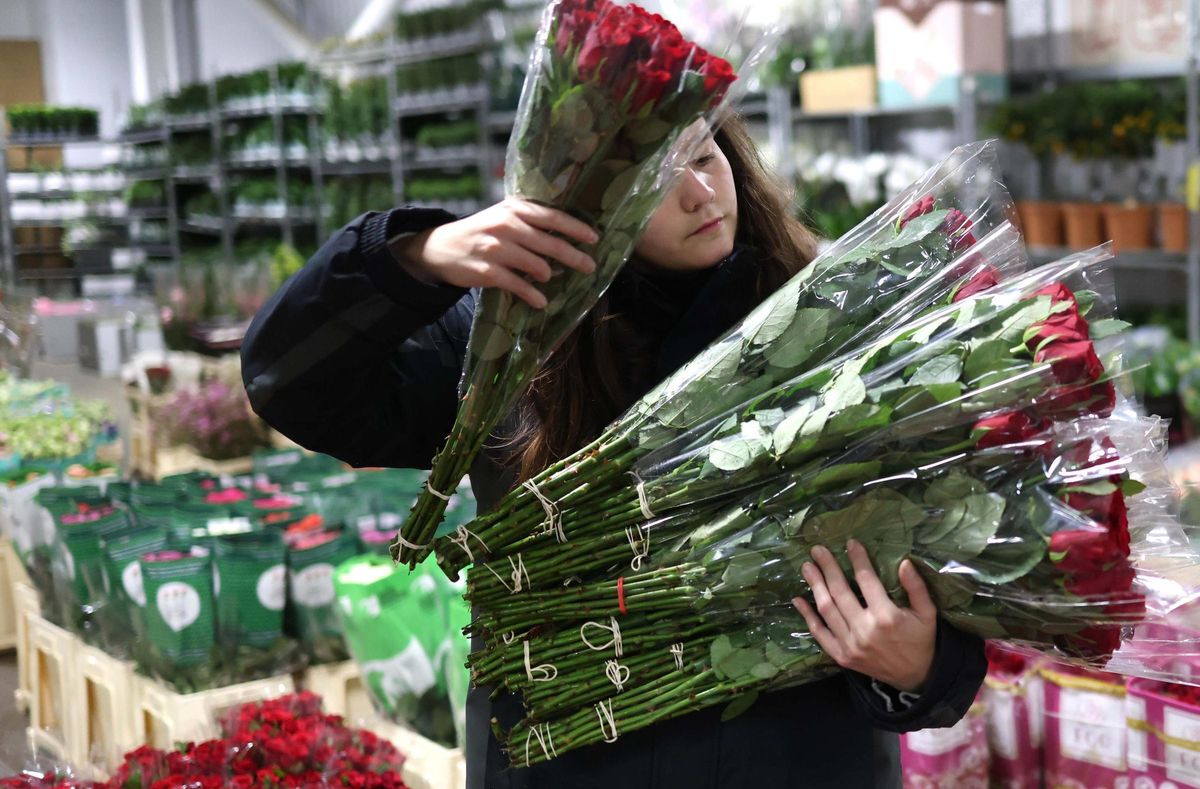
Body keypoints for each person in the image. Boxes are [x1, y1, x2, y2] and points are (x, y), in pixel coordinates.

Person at [241, 114, 986, 789]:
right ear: (581, 201)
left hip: (801, 761)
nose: (701, 192)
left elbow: (948, 553)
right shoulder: (504, 344)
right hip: (570, 762)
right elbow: (293, 384)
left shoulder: (840, 319)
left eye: (707, 155)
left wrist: (921, 667)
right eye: (658, 181)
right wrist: (417, 256)